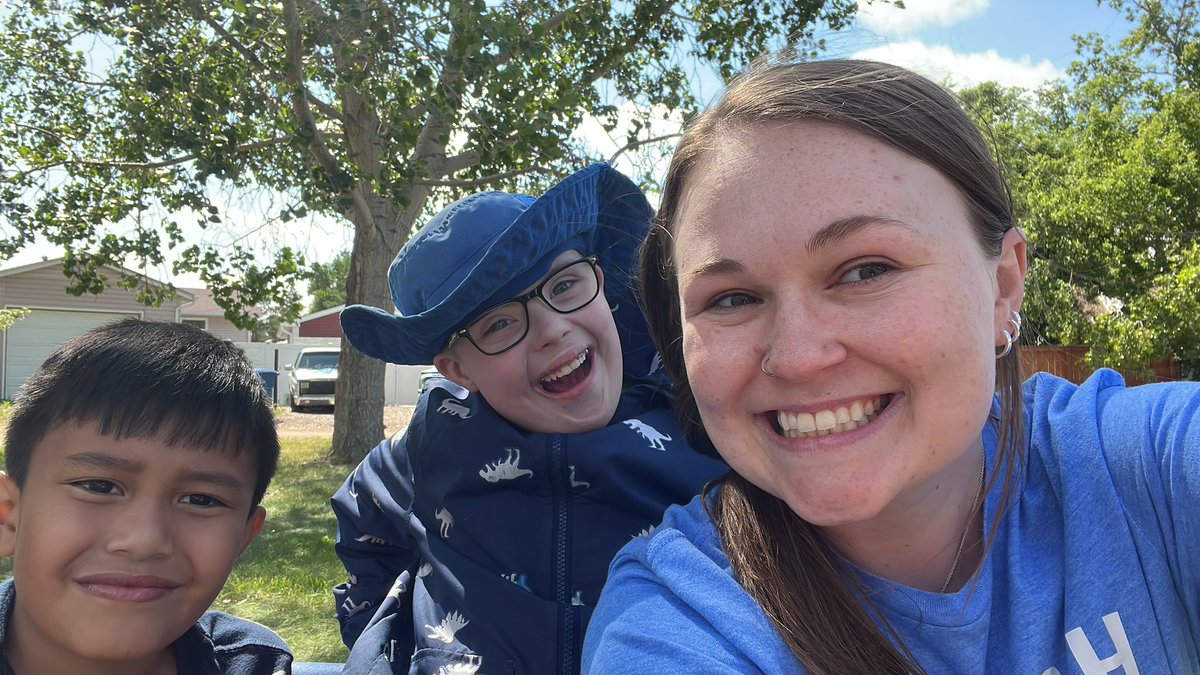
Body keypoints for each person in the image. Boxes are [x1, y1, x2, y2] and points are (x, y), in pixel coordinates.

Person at [581, 59, 1200, 674]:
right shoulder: (675, 625)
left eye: (867, 270)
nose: (797, 358)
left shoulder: (1148, 466)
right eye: (732, 300)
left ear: (1003, 285)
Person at [333, 163, 728, 674]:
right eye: (498, 323)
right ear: (458, 369)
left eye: (564, 286)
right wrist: (380, 636)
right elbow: (364, 523)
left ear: (601, 285)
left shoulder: (697, 427)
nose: (551, 329)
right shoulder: (431, 444)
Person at [0, 319, 291, 675]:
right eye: (99, 486)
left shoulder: (256, 666)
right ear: (8, 514)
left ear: (244, 537)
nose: (144, 540)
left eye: (200, 500)